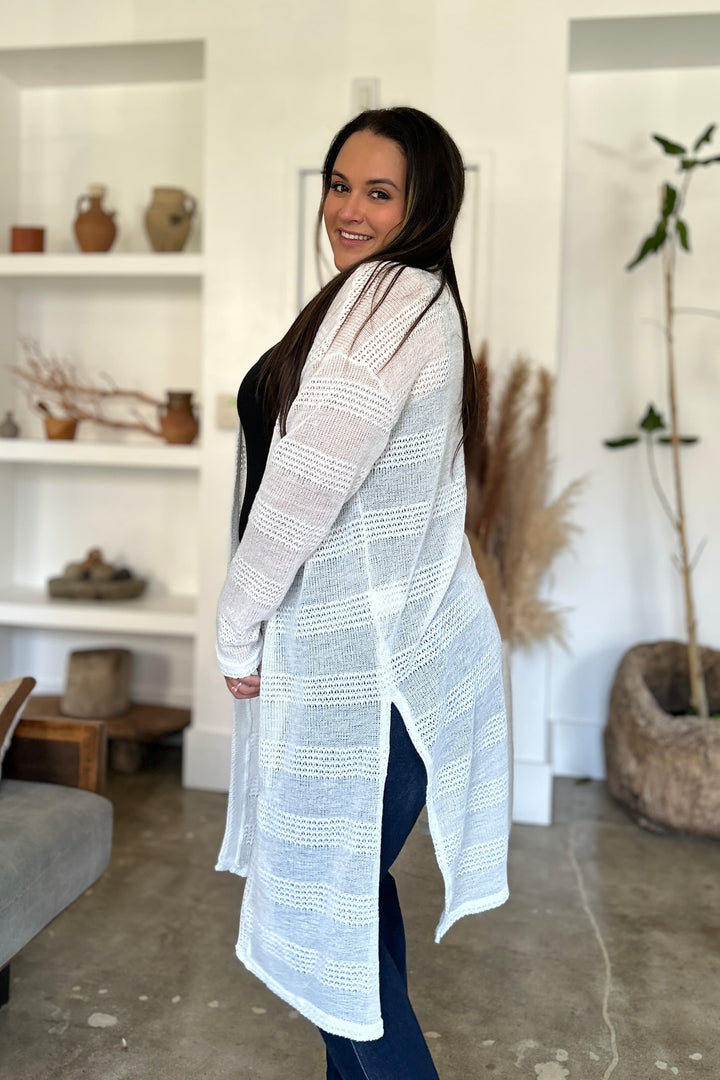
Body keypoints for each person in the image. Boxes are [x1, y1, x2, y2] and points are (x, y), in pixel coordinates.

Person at [216, 107, 510, 1080]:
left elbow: (301, 491)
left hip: (368, 691)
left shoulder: (389, 297)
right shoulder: (407, 302)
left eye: (378, 193)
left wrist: (236, 630)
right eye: (339, 185)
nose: (348, 208)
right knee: (351, 917)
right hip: (386, 679)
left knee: (330, 932)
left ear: (424, 206)